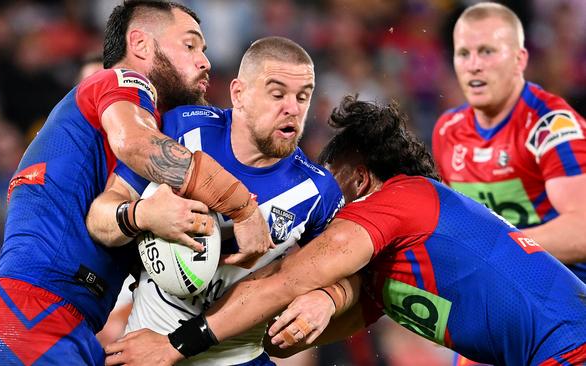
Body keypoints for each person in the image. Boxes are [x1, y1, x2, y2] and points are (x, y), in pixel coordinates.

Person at [104, 95, 586, 366]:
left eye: (332, 188)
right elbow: (317, 319)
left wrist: (173, 344)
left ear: (357, 178)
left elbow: (287, 279)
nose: (326, 208)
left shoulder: (402, 198)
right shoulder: (388, 266)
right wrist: (317, 308)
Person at [0, 1, 273, 365]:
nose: (204, 61)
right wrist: (243, 208)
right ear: (140, 44)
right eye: (190, 45)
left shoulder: (113, 147)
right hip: (29, 321)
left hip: (53, 324)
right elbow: (137, 144)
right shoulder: (122, 81)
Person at [86, 36, 344, 366]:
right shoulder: (183, 129)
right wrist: (142, 214)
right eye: (277, 94)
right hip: (142, 353)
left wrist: (327, 298)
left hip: (241, 360)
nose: (292, 108)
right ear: (238, 94)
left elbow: (339, 275)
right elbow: (100, 218)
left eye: (303, 97)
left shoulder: (317, 192)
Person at [432, 2, 586, 279]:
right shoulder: (448, 130)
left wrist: (496, 247)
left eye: (487, 52)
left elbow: (582, 232)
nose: (474, 65)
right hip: (502, 290)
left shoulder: (550, 125)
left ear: (520, 59)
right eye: (463, 54)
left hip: (569, 293)